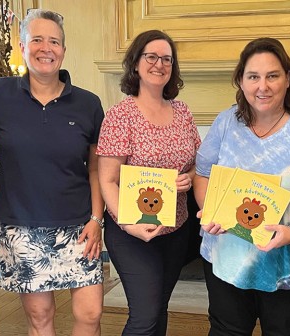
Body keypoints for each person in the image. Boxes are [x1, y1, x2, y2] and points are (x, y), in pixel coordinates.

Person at [0, 8, 105, 336]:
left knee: (91, 313)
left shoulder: (88, 103)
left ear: (64, 51)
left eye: (54, 41)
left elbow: (97, 166)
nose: (46, 48)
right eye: (37, 39)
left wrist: (97, 219)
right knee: (40, 318)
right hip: (23, 228)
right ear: (23, 47)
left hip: (80, 226)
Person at [194, 37, 290, 335]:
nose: (263, 86)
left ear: (288, 78)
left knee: (286, 330)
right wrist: (211, 211)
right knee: (226, 330)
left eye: (272, 75)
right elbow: (202, 173)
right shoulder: (225, 122)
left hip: (288, 261)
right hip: (226, 256)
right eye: (253, 77)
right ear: (241, 81)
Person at [97, 30, 201, 335]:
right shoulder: (120, 115)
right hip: (131, 232)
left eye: (166, 59)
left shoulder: (182, 112)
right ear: (136, 63)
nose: (159, 64)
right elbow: (107, 180)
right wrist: (130, 226)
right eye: (151, 57)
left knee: (158, 310)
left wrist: (188, 178)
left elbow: (196, 164)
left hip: (175, 228)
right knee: (144, 316)